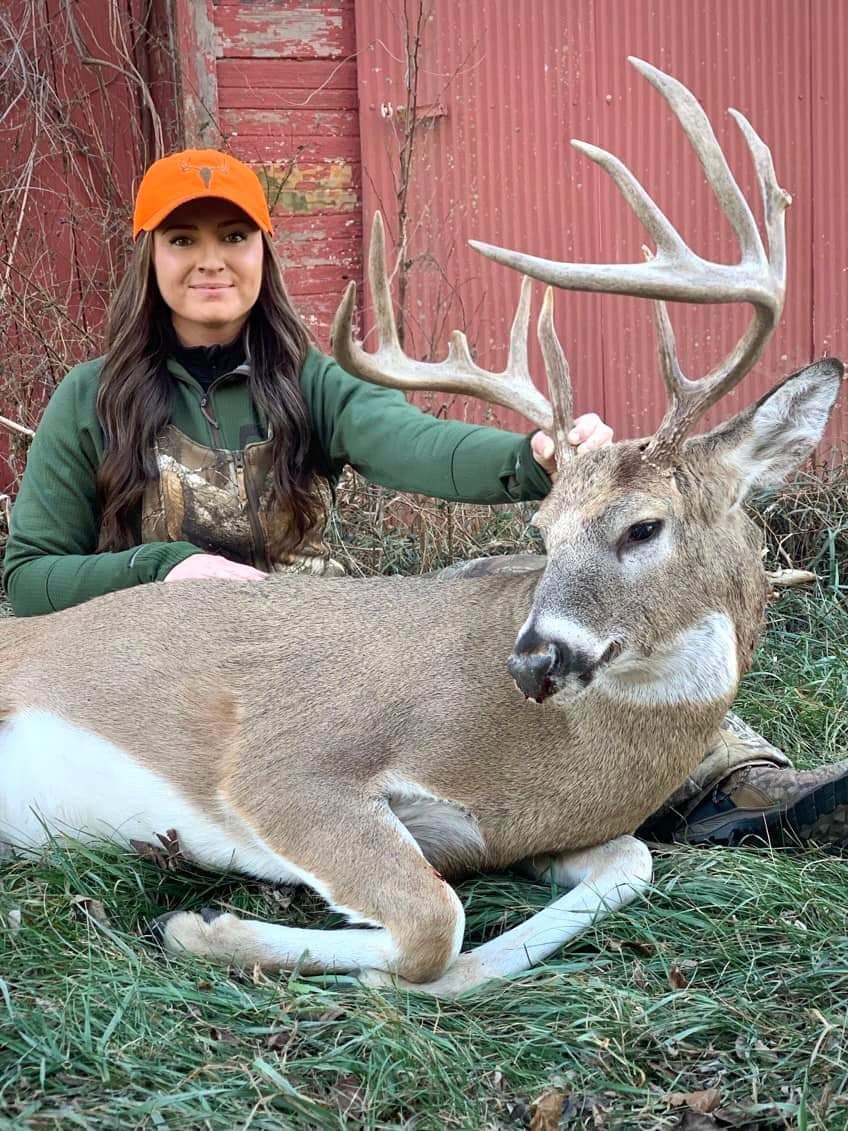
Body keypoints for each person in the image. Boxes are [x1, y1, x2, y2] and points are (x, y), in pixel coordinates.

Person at [4, 149, 846, 847]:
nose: (210, 260)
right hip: (142, 643)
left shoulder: (307, 385)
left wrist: (532, 457)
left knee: (513, 589)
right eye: (182, 238)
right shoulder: (91, 397)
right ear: (151, 256)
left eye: (233, 235)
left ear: (264, 250)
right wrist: (171, 568)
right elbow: (29, 577)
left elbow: (415, 443)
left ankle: (727, 774)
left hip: (292, 620)